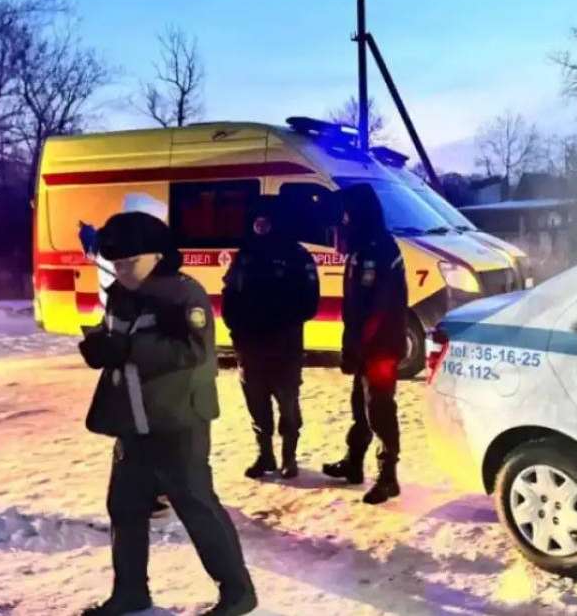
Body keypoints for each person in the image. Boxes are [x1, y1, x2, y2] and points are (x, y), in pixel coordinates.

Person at [78, 210, 256, 616]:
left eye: (129, 262)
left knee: (196, 505)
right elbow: (116, 335)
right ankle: (130, 593)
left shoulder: (183, 294)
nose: (121, 271)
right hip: (132, 422)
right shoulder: (122, 293)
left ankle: (237, 592)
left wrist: (130, 351)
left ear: (157, 255)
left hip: (177, 421)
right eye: (116, 263)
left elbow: (194, 350)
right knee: (124, 507)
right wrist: (100, 346)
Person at [322, 183, 408, 505]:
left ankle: (388, 477)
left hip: (380, 346)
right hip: (363, 344)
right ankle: (354, 462)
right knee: (361, 405)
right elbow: (354, 306)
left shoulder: (383, 249)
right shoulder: (359, 249)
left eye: (346, 212)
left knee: (380, 409)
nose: (342, 219)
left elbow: (381, 307)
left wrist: (361, 345)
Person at [222, 200, 320, 480]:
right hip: (250, 346)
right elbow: (230, 294)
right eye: (257, 220)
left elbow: (310, 303)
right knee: (256, 402)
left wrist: (279, 319)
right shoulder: (245, 255)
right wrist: (236, 329)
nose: (261, 226)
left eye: (266, 221)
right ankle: (264, 455)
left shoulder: (297, 255)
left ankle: (289, 457)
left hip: (284, 345)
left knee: (287, 402)